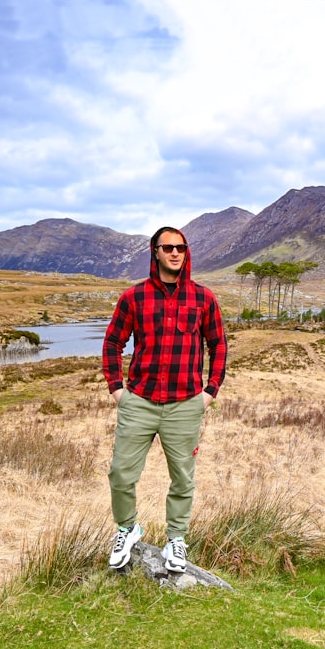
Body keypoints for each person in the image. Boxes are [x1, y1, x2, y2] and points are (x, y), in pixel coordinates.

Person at [102, 226, 227, 572]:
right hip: (139, 401)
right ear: (154, 252)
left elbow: (218, 346)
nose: (175, 253)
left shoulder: (203, 298)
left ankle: (177, 540)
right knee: (121, 474)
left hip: (185, 405)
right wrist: (117, 388)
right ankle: (128, 529)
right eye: (168, 247)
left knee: (183, 478)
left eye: (181, 247)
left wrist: (209, 392)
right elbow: (113, 342)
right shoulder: (134, 297)